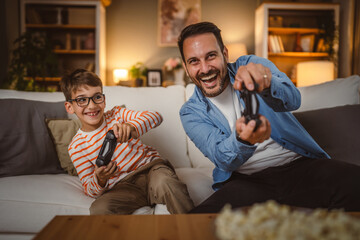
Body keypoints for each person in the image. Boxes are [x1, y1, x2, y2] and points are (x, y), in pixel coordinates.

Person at [177, 22, 360, 213]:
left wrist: (266, 82)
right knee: (198, 219)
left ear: (224, 53)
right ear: (186, 66)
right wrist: (243, 139)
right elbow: (222, 159)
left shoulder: (251, 65)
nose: (205, 68)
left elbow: (293, 100)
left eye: (211, 56)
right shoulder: (190, 113)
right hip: (247, 181)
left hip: (299, 166)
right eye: (194, 61)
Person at [60, 69, 194, 214]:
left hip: (151, 170)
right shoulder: (76, 147)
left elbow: (155, 116)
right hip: (123, 187)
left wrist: (131, 126)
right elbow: (89, 188)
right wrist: (100, 178)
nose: (91, 105)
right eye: (82, 100)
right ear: (69, 107)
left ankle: (193, 229)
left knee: (167, 184)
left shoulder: (117, 114)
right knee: (99, 209)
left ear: (104, 100)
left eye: (97, 97)